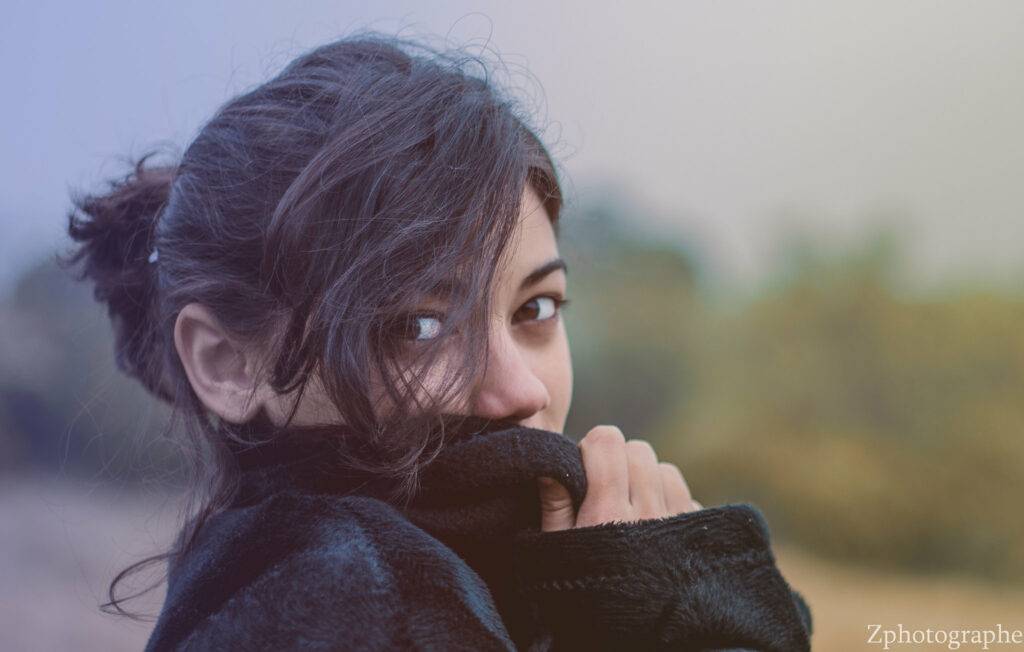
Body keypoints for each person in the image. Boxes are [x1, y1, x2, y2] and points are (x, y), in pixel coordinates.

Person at [61, 33, 813, 651]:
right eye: (419, 327)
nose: (522, 390)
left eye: (537, 309)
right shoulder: (344, 606)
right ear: (226, 362)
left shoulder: (438, 588)